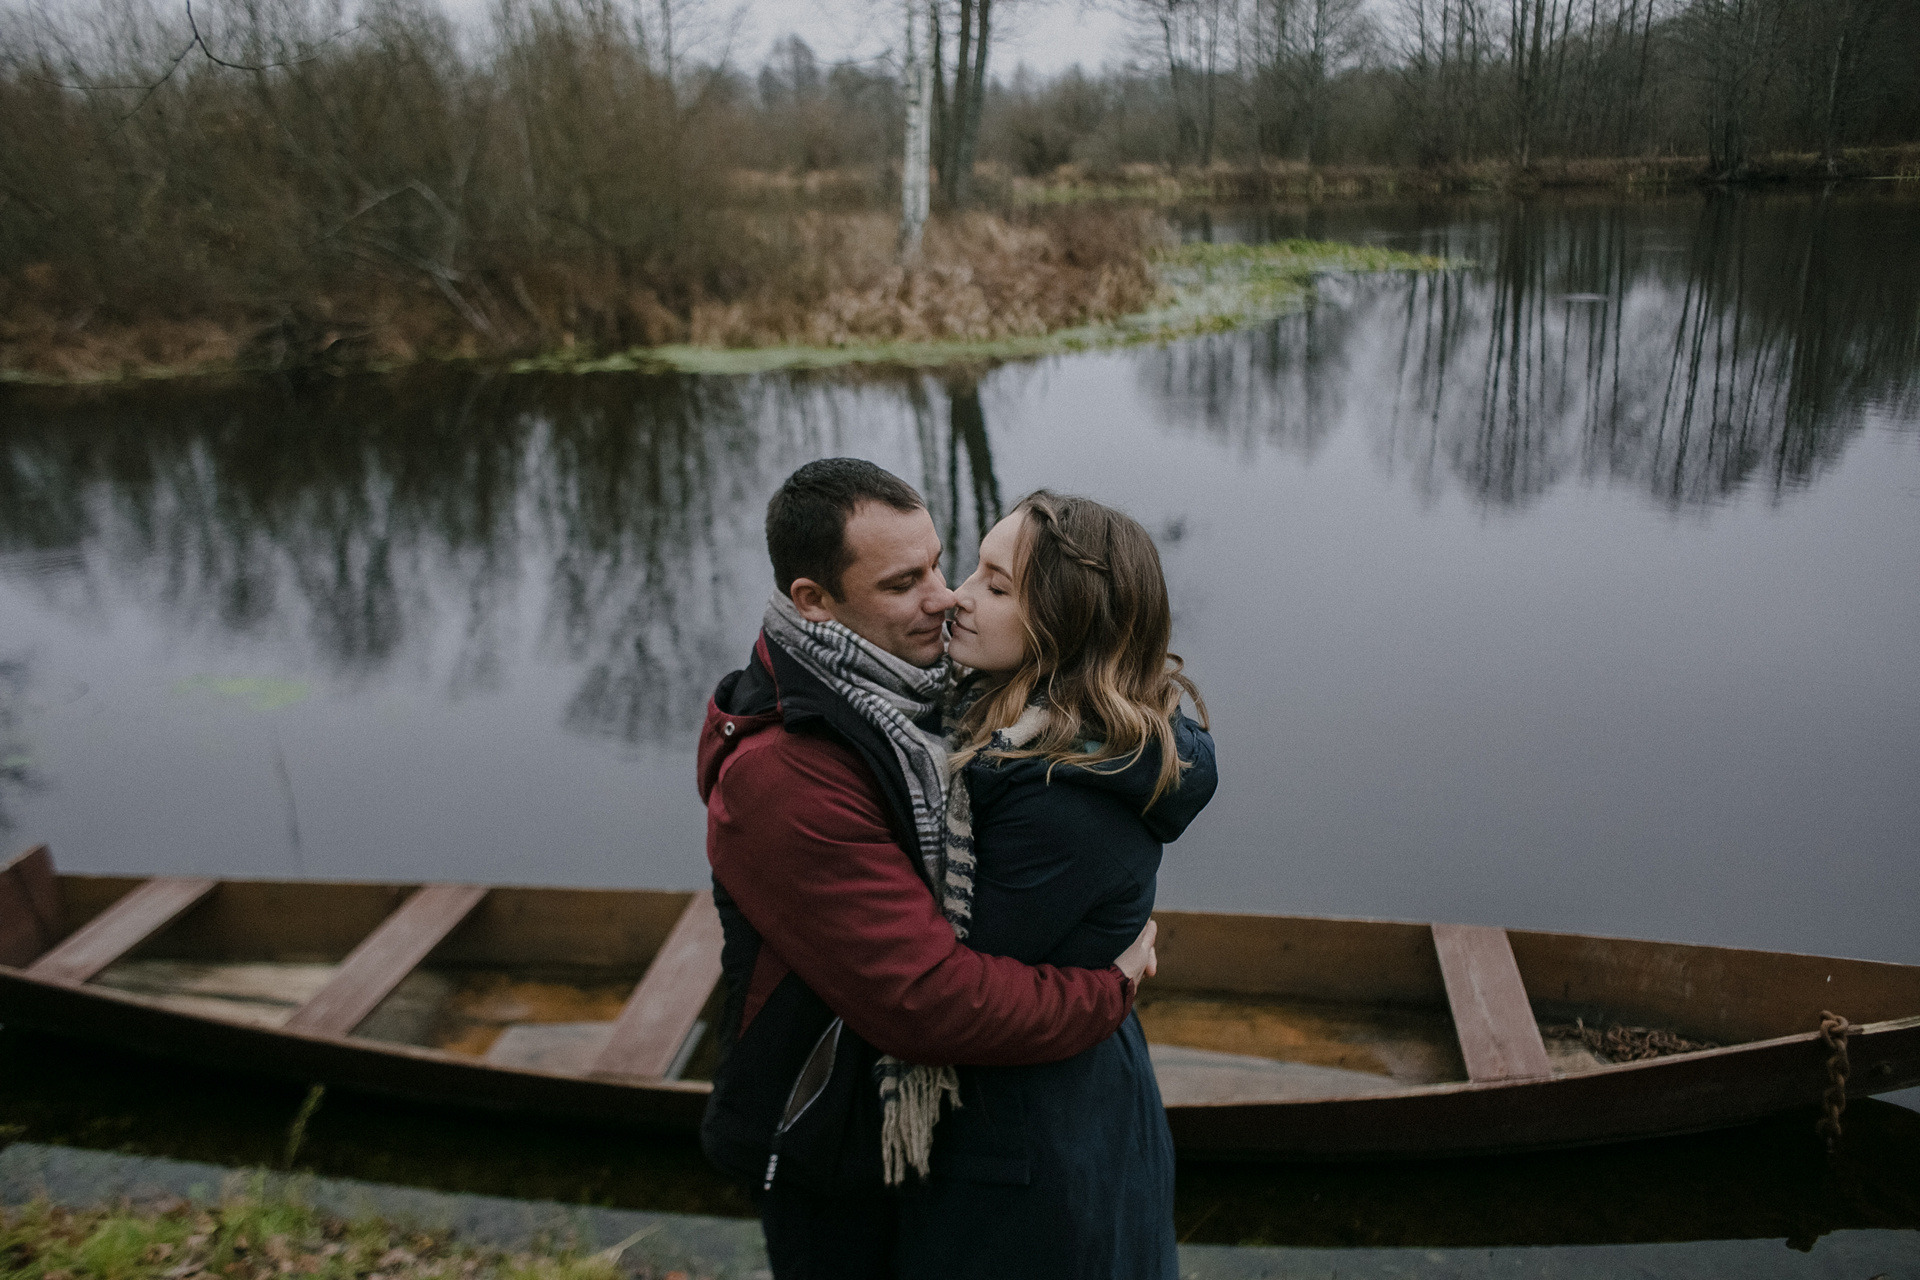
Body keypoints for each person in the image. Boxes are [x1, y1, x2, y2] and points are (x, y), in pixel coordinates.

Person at [697, 460, 1158, 1280]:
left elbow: (1099, 697)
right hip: (838, 1144)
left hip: (915, 1137)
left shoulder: (931, 696)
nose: (945, 597)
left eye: (944, 563)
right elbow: (926, 1002)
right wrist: (1107, 992)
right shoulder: (783, 780)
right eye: (906, 581)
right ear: (814, 601)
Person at [895, 489, 1216, 1280]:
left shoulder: (1063, 806)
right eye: (974, 568)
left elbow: (949, 989)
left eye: (997, 587)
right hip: (1051, 1112)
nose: (958, 598)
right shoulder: (992, 722)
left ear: (1069, 627)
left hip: (1039, 1151)